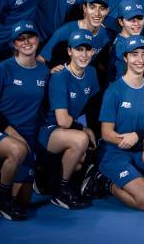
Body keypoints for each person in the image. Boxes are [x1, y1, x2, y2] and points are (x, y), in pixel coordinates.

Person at [83, 35, 144, 210]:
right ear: (125, 58)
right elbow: (106, 133)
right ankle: (104, 182)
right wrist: (127, 140)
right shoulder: (114, 91)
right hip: (115, 154)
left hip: (138, 148)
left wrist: (138, 136)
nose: (140, 59)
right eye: (134, 54)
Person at [0, 21, 49, 220]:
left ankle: (0, 178)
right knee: (17, 150)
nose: (26, 42)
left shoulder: (44, 72)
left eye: (30, 37)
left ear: (38, 39)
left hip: (27, 135)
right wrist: (11, 132)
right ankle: (2, 202)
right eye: (21, 39)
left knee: (24, 200)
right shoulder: (3, 69)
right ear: (14, 44)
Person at [37, 29, 100, 209]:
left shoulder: (92, 73)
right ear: (69, 51)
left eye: (88, 50)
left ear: (93, 52)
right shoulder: (60, 77)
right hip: (48, 131)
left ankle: (47, 176)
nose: (84, 54)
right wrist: (84, 129)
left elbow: (89, 108)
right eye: (79, 49)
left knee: (82, 160)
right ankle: (60, 191)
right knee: (81, 139)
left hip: (68, 129)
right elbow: (63, 121)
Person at [39, 0, 111, 72]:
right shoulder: (65, 31)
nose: (97, 13)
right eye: (92, 7)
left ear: (107, 11)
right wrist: (49, 72)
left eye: (102, 9)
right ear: (84, 8)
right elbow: (40, 59)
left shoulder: (106, 35)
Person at [109, 0, 144, 81]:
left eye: (139, 18)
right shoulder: (120, 47)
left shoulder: (135, 38)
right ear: (121, 22)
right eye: (130, 19)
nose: (136, 23)